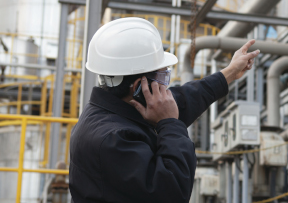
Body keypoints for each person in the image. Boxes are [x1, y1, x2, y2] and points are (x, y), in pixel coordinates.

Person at [69, 17, 260, 203]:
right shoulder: (113, 139)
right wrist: (170, 124)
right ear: (138, 86)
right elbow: (173, 190)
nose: (164, 87)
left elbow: (183, 99)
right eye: (162, 77)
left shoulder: (117, 109)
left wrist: (229, 73)